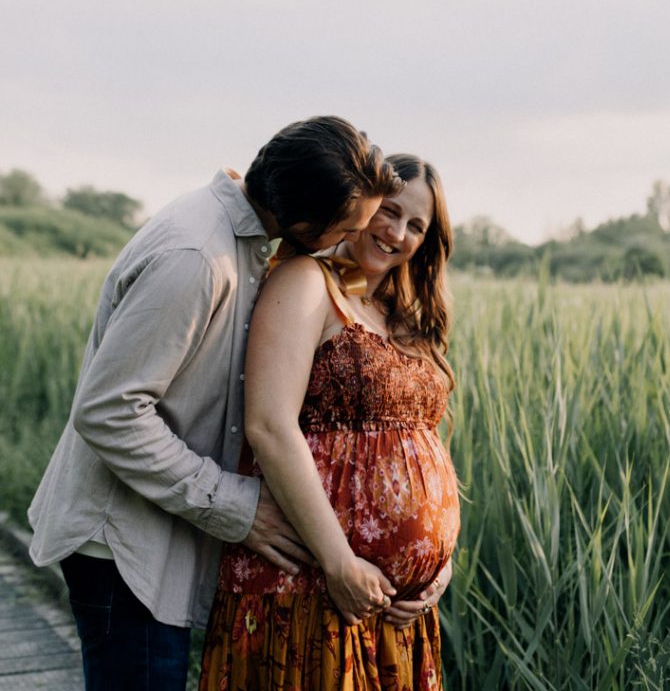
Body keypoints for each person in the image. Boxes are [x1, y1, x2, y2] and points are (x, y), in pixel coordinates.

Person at [28, 116, 402, 691]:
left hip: (150, 538)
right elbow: (110, 412)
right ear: (304, 221)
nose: (345, 244)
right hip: (122, 547)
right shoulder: (198, 257)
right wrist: (235, 506)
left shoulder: (241, 242)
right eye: (344, 229)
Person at [200, 153, 460, 691]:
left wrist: (437, 567)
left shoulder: (398, 310)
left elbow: (422, 439)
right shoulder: (305, 281)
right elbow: (269, 425)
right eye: (389, 211)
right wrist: (340, 563)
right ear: (359, 206)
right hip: (312, 591)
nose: (397, 233)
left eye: (417, 226)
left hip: (394, 613)